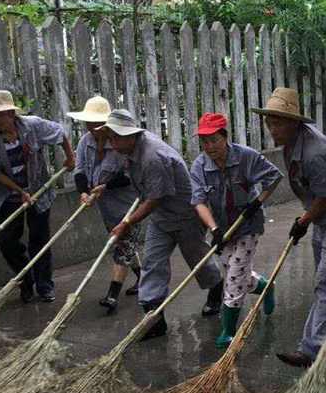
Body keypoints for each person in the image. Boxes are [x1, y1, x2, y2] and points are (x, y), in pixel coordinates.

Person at [250, 87, 326, 368]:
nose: (272, 129)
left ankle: (312, 350)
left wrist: (302, 222)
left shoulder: (316, 151)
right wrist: (306, 218)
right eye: (269, 122)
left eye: (277, 122)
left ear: (294, 123)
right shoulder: (290, 145)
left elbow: (324, 197)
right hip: (321, 216)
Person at [103, 109, 224, 339]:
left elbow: (155, 198)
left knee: (197, 258)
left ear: (130, 135)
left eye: (116, 137)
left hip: (185, 212)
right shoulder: (128, 151)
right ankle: (155, 319)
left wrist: (127, 222)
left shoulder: (152, 156)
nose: (113, 143)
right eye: (111, 138)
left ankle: (216, 290)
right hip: (161, 217)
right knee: (152, 262)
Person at [189, 113, 283, 346]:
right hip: (222, 228)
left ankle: (228, 331)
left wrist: (258, 201)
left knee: (233, 278)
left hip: (248, 224)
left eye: (214, 140)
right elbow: (199, 202)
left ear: (225, 137)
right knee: (234, 272)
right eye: (204, 141)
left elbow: (274, 177)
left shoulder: (246, 157)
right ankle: (264, 286)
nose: (209, 146)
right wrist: (214, 229)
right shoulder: (199, 166)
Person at [0, 89, 75, 303]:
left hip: (39, 189)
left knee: (40, 240)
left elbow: (60, 134)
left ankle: (45, 285)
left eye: (0, 114)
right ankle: (25, 279)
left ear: (12, 113)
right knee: (6, 242)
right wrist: (20, 191)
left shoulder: (33, 126)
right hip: (8, 196)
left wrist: (70, 158)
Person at [68, 95, 141, 313]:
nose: (92, 128)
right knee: (124, 244)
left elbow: (130, 175)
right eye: (89, 123)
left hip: (128, 203)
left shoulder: (120, 140)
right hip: (105, 205)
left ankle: (112, 294)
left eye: (96, 124)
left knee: (120, 241)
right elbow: (80, 169)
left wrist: (106, 186)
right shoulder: (85, 141)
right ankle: (144, 276)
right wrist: (83, 193)